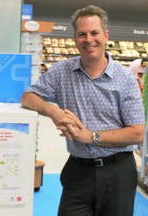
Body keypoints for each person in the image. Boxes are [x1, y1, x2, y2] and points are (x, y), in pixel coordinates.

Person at [21, 5, 145, 216]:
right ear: (75, 38)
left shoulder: (125, 79)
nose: (89, 39)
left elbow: (136, 132)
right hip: (78, 171)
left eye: (95, 33)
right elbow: (28, 97)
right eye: (82, 34)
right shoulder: (61, 71)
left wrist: (90, 136)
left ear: (106, 36)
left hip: (118, 171)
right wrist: (54, 112)